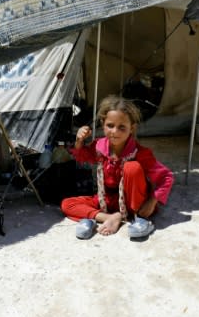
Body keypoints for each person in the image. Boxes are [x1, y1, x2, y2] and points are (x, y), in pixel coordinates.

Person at [60, 95, 174, 240]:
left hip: (133, 204)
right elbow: (82, 156)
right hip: (106, 202)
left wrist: (152, 202)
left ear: (132, 128)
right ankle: (111, 217)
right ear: (103, 123)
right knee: (67, 204)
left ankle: (129, 216)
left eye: (122, 127)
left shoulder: (140, 153)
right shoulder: (98, 147)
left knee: (132, 168)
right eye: (110, 125)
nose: (115, 132)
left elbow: (166, 177)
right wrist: (79, 140)